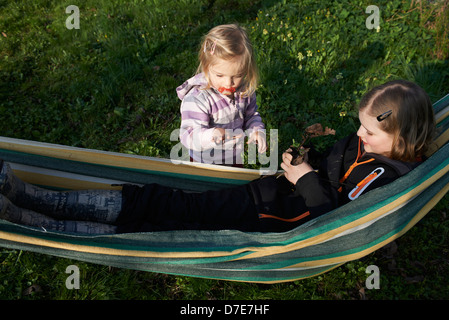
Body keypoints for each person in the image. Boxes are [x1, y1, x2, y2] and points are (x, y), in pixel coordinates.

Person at [0, 80, 435, 234]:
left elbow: (336, 218)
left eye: (369, 130)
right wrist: (302, 158)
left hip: (267, 216)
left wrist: (303, 176)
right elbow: (334, 167)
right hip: (268, 195)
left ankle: (38, 217)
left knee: (159, 216)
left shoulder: (386, 177)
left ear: (402, 136)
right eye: (361, 124)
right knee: (161, 208)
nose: (358, 133)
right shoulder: (376, 145)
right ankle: (31, 200)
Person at [176, 24, 266, 166]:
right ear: (206, 67)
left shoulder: (243, 90)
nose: (229, 83)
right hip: (204, 163)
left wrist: (256, 131)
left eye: (237, 75)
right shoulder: (198, 98)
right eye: (219, 75)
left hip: (234, 158)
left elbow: (251, 116)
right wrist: (211, 135)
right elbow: (188, 135)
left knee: (235, 188)